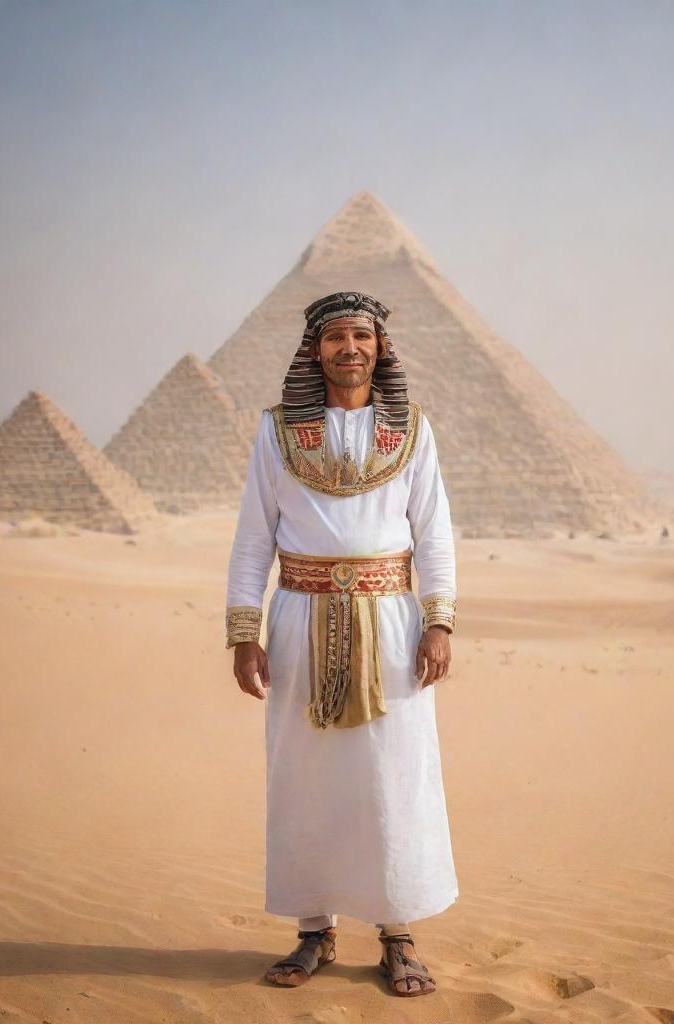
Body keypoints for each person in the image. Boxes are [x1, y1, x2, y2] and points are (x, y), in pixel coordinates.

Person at [224, 290, 458, 997]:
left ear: (380, 347)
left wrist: (439, 620)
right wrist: (244, 632)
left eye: (362, 335)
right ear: (313, 351)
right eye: (335, 338)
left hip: (392, 626)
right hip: (298, 620)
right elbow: (253, 537)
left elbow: (435, 530)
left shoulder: (413, 430)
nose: (349, 348)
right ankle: (312, 931)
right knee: (305, 778)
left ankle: (398, 936)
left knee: (392, 776)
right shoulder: (277, 432)